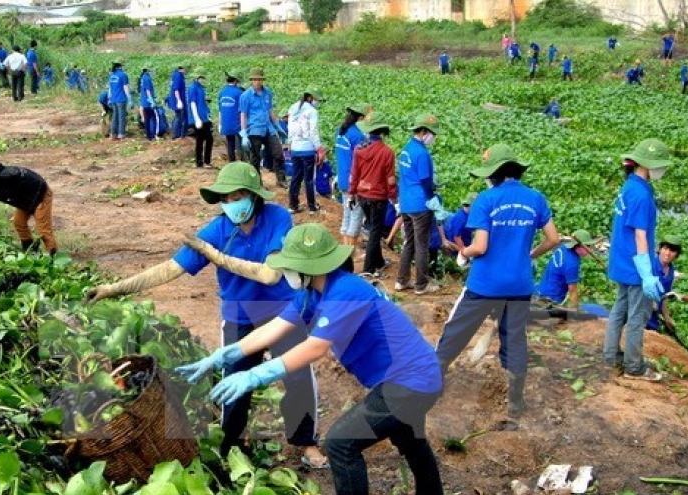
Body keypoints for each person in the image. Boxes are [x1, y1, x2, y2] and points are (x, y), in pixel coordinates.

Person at [85, 161, 326, 466]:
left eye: (236, 196)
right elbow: (169, 269)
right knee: (234, 380)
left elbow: (270, 275)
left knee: (298, 374)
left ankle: (306, 444)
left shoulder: (278, 218)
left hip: (282, 311)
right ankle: (231, 446)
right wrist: (114, 288)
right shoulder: (215, 230)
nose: (230, 204)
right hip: (239, 315)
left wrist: (214, 256)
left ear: (253, 196)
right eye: (224, 199)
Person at [178, 222, 444, 495]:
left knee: (342, 443)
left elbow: (315, 348)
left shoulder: (345, 292)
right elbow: (274, 328)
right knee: (409, 437)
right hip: (411, 377)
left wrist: (255, 375)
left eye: (289, 266)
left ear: (309, 266)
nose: (285, 272)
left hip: (411, 382)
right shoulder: (312, 294)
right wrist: (226, 354)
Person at [435, 143, 559, 418]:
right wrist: (530, 254)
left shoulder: (485, 200)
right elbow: (554, 239)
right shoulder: (535, 198)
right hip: (519, 284)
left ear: (494, 174)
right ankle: (515, 402)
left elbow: (480, 246)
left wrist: (465, 252)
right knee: (514, 338)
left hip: (485, 284)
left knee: (456, 331)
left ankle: (434, 384)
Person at [604, 138, 674, 382]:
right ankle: (634, 367)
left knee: (619, 310)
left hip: (621, 261)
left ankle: (611, 355)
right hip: (635, 265)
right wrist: (646, 272)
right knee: (637, 316)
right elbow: (640, 235)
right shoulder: (641, 194)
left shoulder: (629, 186)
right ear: (646, 164)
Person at [396, 114, 443, 295]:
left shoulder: (407, 149)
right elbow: (424, 179)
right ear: (424, 132)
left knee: (409, 242)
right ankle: (421, 284)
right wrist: (432, 197)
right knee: (422, 245)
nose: (434, 137)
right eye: (433, 133)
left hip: (406, 202)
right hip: (420, 203)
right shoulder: (422, 153)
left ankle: (402, 280)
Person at [349, 112, 396, 277]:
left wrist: (351, 194)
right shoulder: (387, 152)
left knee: (372, 227)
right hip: (378, 197)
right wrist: (394, 198)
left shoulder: (359, 149)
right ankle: (368, 269)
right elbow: (390, 179)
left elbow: (355, 174)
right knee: (375, 232)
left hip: (362, 194)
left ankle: (380, 262)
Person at [239, 67, 284, 185]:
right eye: (255, 79)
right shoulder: (245, 96)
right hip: (254, 129)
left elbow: (270, 111)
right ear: (251, 81)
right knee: (255, 158)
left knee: (278, 152)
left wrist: (277, 125)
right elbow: (243, 115)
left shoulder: (267, 93)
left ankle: (281, 180)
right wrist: (244, 133)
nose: (257, 82)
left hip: (268, 127)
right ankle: (256, 183)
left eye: (259, 79)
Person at [535, 229, 597, 310]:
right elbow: (573, 290)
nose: (590, 249)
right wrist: (575, 309)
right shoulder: (571, 263)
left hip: (542, 290)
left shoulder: (563, 248)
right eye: (587, 246)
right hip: (552, 298)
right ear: (577, 245)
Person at [287, 87, 324, 214]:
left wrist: (290, 142)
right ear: (310, 97)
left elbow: (290, 128)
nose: (317, 102)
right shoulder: (312, 111)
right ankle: (312, 207)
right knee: (309, 179)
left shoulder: (293, 107)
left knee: (296, 177)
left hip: (295, 149)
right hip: (307, 149)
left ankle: (293, 205)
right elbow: (313, 132)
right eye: (317, 99)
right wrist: (319, 148)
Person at [336, 104, 369, 249]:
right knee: (355, 216)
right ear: (360, 118)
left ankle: (344, 247)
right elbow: (361, 162)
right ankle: (351, 252)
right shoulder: (357, 136)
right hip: (354, 181)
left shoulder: (341, 131)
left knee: (347, 214)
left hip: (342, 178)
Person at [645, 236, 682, 332]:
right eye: (665, 249)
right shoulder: (650, 266)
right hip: (641, 310)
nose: (668, 253)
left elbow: (665, 296)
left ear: (676, 254)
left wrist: (667, 317)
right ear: (660, 249)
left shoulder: (670, 270)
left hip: (654, 314)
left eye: (672, 251)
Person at [187, 67, 213, 167]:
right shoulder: (193, 88)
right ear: (197, 78)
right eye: (202, 78)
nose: (203, 80)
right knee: (201, 139)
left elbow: (201, 101)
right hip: (199, 118)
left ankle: (204, 161)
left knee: (207, 139)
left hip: (204, 117)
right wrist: (197, 118)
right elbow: (193, 103)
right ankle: (201, 161)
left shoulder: (200, 87)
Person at [218, 71, 244, 161]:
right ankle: (242, 162)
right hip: (237, 123)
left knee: (230, 143)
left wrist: (220, 124)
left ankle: (231, 162)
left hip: (226, 123)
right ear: (236, 81)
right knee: (241, 143)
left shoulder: (222, 93)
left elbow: (220, 110)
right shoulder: (240, 93)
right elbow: (242, 111)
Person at [107, 60, 132, 140]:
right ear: (120, 66)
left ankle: (113, 134)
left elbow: (110, 88)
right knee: (122, 117)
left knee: (115, 116)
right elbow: (125, 87)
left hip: (113, 99)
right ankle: (121, 134)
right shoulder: (123, 75)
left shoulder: (112, 75)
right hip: (121, 99)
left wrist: (109, 98)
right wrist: (129, 98)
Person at [139, 67, 159, 141]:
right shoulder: (147, 78)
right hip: (149, 103)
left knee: (147, 119)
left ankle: (148, 136)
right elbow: (147, 90)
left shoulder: (143, 77)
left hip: (144, 102)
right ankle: (154, 135)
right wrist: (152, 101)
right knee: (155, 118)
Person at [169, 65, 187, 140]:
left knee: (178, 116)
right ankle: (176, 135)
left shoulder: (177, 75)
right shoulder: (178, 76)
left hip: (177, 99)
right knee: (178, 117)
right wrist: (179, 100)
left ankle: (176, 133)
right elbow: (176, 89)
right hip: (177, 100)